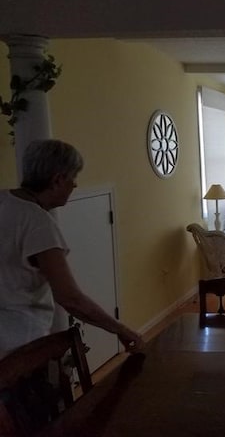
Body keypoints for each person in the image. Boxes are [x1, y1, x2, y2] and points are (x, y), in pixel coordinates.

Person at [0, 139, 144, 358]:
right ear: (58, 179)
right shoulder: (39, 223)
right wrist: (121, 330)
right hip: (19, 349)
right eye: (73, 177)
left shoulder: (3, 200)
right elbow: (71, 299)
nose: (75, 185)